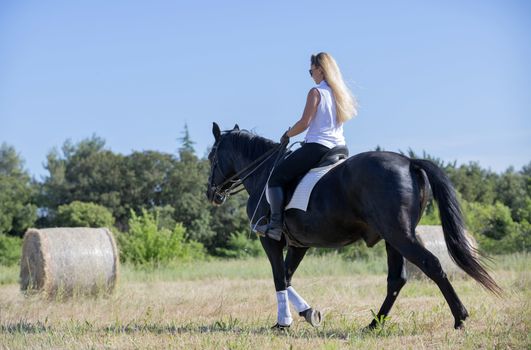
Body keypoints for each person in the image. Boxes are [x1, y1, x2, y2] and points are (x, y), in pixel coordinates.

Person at [257, 52, 358, 241]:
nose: (311, 75)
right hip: (340, 148)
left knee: (276, 177)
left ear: (320, 69)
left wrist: (287, 134)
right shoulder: (339, 94)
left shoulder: (316, 92)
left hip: (318, 146)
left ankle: (275, 226)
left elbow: (305, 123)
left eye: (310, 71)